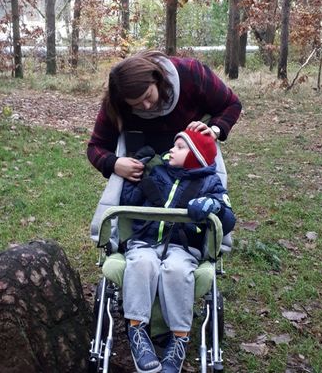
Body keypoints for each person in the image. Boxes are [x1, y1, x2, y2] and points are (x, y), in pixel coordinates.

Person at [120, 129, 236, 373]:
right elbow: (129, 202)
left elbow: (227, 220)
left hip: (183, 247)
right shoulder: (157, 173)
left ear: (196, 155)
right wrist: (137, 173)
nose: (171, 150)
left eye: (180, 147)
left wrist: (215, 206)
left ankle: (179, 338)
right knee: (141, 264)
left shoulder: (210, 183)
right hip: (145, 241)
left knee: (177, 270)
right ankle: (137, 331)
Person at [87, 50, 242, 181]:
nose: (146, 106)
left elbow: (231, 104)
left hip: (194, 170)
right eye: (136, 104)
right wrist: (114, 163)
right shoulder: (116, 103)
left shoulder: (191, 73)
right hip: (146, 175)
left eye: (148, 96)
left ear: (156, 79)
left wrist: (214, 130)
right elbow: (96, 147)